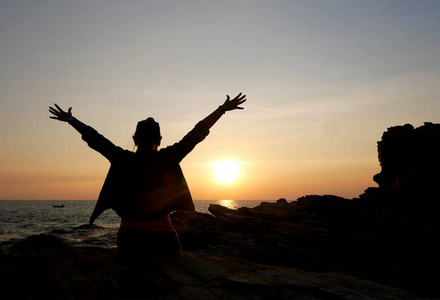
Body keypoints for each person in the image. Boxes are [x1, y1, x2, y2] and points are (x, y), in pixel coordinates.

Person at [49, 93, 246, 263]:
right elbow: (197, 133)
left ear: (135, 139)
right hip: (164, 241)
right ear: (159, 140)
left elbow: (94, 138)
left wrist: (71, 120)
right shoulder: (168, 157)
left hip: (129, 241)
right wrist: (222, 109)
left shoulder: (121, 158)